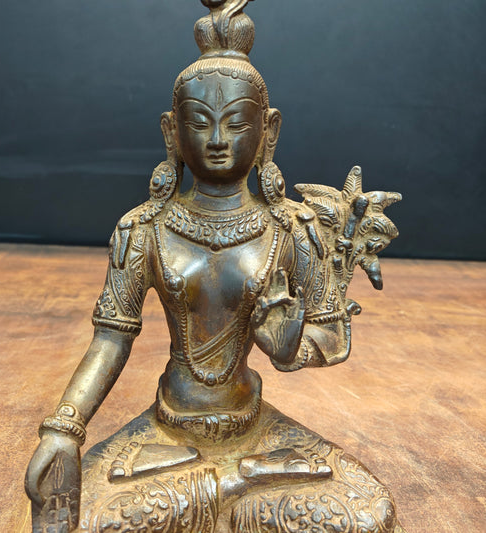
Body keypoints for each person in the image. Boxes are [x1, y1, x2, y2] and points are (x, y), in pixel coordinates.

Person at [25, 1, 405, 532]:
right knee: (78, 520)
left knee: (365, 512)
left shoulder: (292, 229)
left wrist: (289, 348)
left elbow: (330, 335)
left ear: (269, 130)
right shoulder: (144, 229)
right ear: (171, 132)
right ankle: (231, 492)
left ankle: (220, 493)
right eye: (200, 123)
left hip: (257, 431)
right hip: (167, 432)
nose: (219, 140)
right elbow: (110, 340)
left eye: (236, 123)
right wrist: (63, 429)